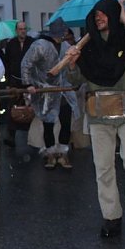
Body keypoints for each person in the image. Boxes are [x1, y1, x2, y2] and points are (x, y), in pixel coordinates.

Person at [65, 0, 125, 238]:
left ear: (113, 15)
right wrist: (72, 64)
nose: (99, 17)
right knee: (103, 168)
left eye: (104, 13)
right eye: (96, 14)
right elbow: (75, 82)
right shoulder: (87, 47)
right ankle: (111, 216)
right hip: (99, 114)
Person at [20, 18, 79, 169]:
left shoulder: (66, 46)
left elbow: (72, 66)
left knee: (65, 121)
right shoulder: (39, 45)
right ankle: (50, 153)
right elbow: (26, 64)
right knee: (48, 123)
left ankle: (63, 152)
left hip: (64, 89)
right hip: (45, 89)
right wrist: (28, 84)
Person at [0, 20, 34, 147]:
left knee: (31, 108)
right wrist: (8, 81)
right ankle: (11, 136)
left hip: (29, 80)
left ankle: (32, 138)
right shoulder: (11, 44)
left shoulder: (32, 43)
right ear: (16, 31)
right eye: (20, 29)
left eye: (24, 29)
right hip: (15, 80)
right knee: (12, 108)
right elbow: (7, 63)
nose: (23, 31)